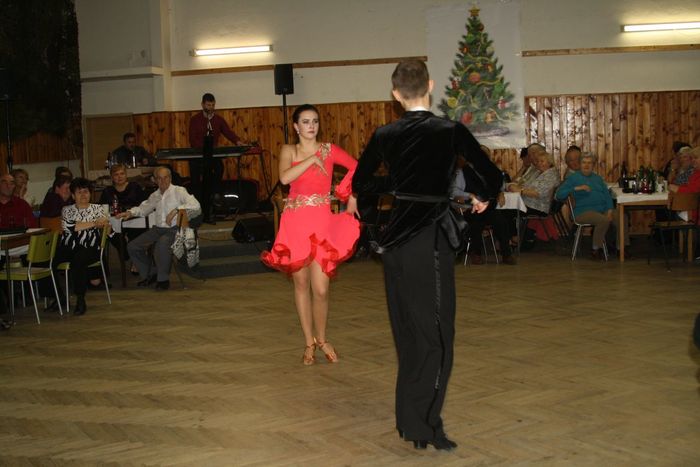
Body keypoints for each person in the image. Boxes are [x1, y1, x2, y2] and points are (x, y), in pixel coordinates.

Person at [352, 60, 501, 451]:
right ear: (430, 86)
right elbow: (491, 175)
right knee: (436, 335)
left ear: (395, 93)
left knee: (408, 331)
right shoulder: (449, 130)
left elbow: (361, 182)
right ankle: (426, 426)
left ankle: (411, 422)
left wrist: (401, 185)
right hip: (428, 240)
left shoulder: (385, 133)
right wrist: (483, 196)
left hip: (395, 243)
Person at [261, 104, 359, 365]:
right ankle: (309, 343)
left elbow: (357, 167)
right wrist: (311, 160)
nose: (311, 126)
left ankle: (322, 339)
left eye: (314, 121)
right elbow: (284, 179)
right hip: (295, 224)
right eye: (305, 121)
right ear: (296, 126)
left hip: (322, 223)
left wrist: (351, 196)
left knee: (321, 289)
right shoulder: (289, 150)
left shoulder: (329, 150)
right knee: (301, 284)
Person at [118, 166, 201, 291]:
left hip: (175, 229)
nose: (163, 181)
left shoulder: (179, 191)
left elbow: (195, 205)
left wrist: (176, 210)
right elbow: (143, 208)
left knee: (161, 244)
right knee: (132, 246)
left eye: (166, 177)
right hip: (157, 229)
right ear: (155, 180)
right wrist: (130, 213)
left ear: (170, 178)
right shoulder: (155, 195)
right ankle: (152, 273)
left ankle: (163, 280)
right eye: (159, 178)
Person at [555, 152, 630, 260]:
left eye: (589, 163)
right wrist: (576, 188)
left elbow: (607, 195)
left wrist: (609, 210)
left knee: (622, 217)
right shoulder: (573, 178)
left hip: (602, 210)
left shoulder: (598, 178)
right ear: (580, 164)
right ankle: (596, 249)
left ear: (593, 165)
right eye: (584, 162)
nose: (586, 165)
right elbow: (559, 194)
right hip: (583, 212)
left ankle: (621, 248)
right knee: (603, 220)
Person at [54, 178, 109, 315]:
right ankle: (58, 297)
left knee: (78, 259)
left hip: (90, 248)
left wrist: (83, 225)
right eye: (79, 192)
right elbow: (69, 227)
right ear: (73, 195)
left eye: (86, 191)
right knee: (47, 260)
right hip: (68, 247)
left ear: (90, 193)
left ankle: (80, 299)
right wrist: (94, 223)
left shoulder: (98, 209)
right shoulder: (66, 210)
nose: (83, 194)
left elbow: (104, 224)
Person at [452, 156, 516, 265]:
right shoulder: (462, 172)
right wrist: (469, 195)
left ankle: (506, 254)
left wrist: (500, 192)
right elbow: (453, 190)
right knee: (476, 222)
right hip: (470, 207)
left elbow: (500, 185)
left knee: (501, 221)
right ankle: (476, 253)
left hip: (488, 206)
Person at [188, 93, 242, 219]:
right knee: (195, 179)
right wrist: (203, 149)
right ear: (202, 105)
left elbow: (228, 132)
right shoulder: (195, 120)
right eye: (208, 105)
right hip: (198, 156)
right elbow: (192, 139)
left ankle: (214, 195)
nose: (211, 107)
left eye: (212, 105)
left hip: (212, 155)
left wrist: (237, 141)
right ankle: (198, 206)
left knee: (219, 168)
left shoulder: (218, 119)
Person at [98, 164, 147, 273]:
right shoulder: (107, 191)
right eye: (116, 174)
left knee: (137, 232)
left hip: (134, 219)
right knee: (111, 233)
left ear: (126, 175)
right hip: (115, 221)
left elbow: (144, 205)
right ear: (112, 177)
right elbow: (102, 209)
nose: (119, 177)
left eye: (122, 174)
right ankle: (126, 254)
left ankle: (135, 260)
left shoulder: (135, 187)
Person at [510, 151, 560, 216]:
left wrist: (520, 191)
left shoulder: (551, 175)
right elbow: (525, 184)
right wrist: (517, 187)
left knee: (505, 210)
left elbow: (538, 193)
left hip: (538, 208)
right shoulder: (539, 172)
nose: (539, 163)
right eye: (538, 161)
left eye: (542, 161)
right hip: (526, 204)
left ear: (549, 162)